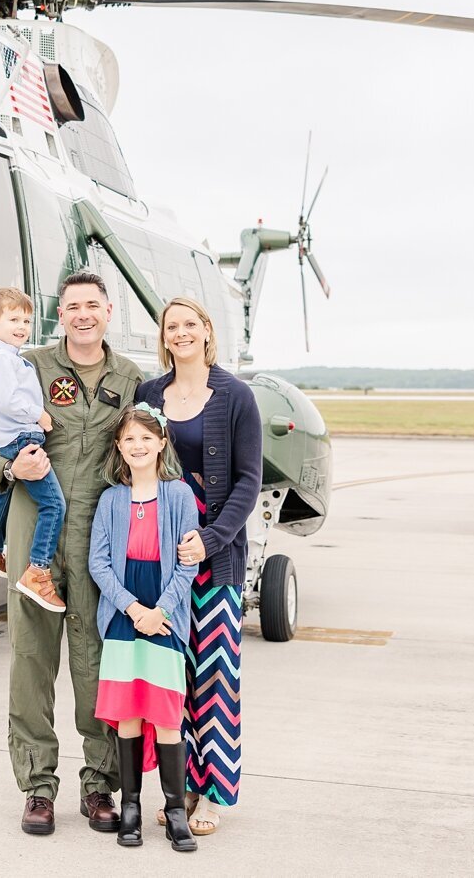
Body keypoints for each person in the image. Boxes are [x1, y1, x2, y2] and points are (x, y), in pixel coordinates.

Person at [0, 272, 143, 836]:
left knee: (95, 661)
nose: (83, 314)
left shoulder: (129, 377)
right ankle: (38, 788)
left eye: (93, 305)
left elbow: (147, 447)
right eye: (72, 306)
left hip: (98, 535)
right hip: (34, 524)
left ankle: (99, 786)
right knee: (31, 658)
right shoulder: (28, 363)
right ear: (59, 314)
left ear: (108, 312)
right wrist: (7, 466)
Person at [136, 296, 262, 837]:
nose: (182, 333)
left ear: (207, 332)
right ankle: (179, 786)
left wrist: (210, 541)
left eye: (191, 324)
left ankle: (212, 794)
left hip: (213, 562)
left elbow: (248, 482)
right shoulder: (149, 395)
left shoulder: (235, 397)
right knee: (172, 680)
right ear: (164, 337)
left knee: (214, 678)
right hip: (159, 563)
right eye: (173, 326)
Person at [89, 403, 199, 852]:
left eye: (146, 438)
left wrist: (161, 611)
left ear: (161, 443)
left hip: (165, 613)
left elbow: (187, 566)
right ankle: (131, 806)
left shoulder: (178, 496)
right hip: (123, 614)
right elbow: (99, 562)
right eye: (129, 439)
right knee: (130, 713)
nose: (138, 446)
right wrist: (134, 609)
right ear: (119, 447)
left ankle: (175, 811)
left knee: (167, 714)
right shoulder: (111, 499)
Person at [0, 286, 67, 613]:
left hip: (13, 438)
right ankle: (37, 571)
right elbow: (7, 401)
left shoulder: (6, 357)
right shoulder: (2, 361)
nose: (22, 326)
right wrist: (38, 415)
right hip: (24, 438)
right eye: (13, 319)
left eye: (26, 320)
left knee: (5, 493)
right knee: (53, 505)